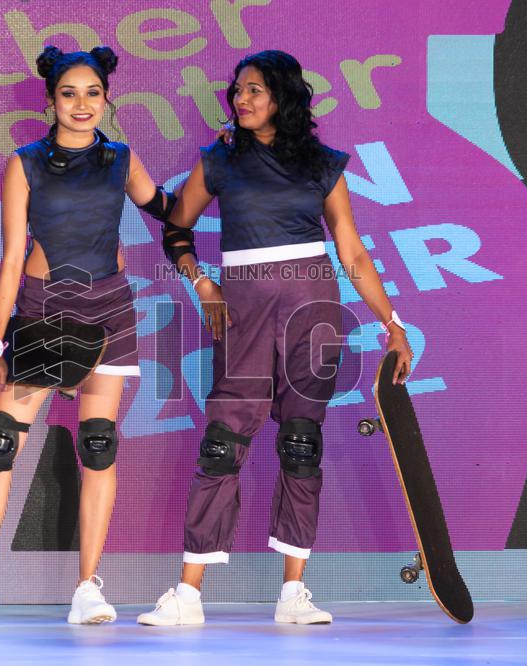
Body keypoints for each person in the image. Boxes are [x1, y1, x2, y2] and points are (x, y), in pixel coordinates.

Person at [138, 50, 414, 627]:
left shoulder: (323, 164)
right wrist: (202, 283)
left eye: (255, 90)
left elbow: (352, 252)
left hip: (313, 309)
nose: (241, 99)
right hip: (242, 310)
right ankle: (187, 594)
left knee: (301, 443)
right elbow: (177, 229)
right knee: (223, 442)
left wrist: (393, 325)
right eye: (238, 90)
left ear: (282, 97)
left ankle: (293, 593)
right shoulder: (220, 159)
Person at [0, 45, 173, 627]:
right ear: (50, 100)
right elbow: (11, 259)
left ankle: (87, 589)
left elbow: (168, 208)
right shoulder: (24, 162)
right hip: (45, 311)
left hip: (107, 311)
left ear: (107, 98)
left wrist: (226, 170)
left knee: (98, 444)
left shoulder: (121, 158)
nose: (82, 104)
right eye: (69, 93)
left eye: (92, 93)